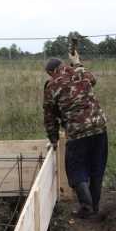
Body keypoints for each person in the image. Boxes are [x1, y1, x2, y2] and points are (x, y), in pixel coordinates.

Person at [43, 53, 108, 218]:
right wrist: (77, 62)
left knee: (75, 168)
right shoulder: (79, 72)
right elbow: (92, 80)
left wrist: (54, 139)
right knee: (97, 168)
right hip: (99, 128)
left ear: (52, 71)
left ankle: (87, 207)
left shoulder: (51, 86)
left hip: (77, 131)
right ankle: (95, 207)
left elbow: (49, 116)